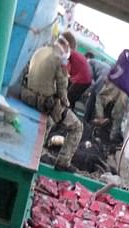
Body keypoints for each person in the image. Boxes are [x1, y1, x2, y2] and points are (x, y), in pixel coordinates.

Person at [19, 35, 82, 171]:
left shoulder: (40, 50)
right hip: (43, 102)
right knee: (77, 126)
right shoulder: (60, 59)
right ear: (67, 47)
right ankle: (63, 162)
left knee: (50, 121)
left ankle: (38, 151)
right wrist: (67, 103)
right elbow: (62, 92)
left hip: (27, 96)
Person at [94, 35, 129, 144]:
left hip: (116, 85)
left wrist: (109, 77)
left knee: (100, 99)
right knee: (118, 113)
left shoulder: (126, 53)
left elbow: (118, 67)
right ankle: (112, 136)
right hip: (127, 92)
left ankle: (100, 118)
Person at [62, 31, 92, 111]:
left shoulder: (70, 53)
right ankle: (68, 112)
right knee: (72, 98)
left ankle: (65, 114)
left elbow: (63, 67)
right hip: (86, 81)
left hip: (82, 80)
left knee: (69, 97)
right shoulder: (76, 54)